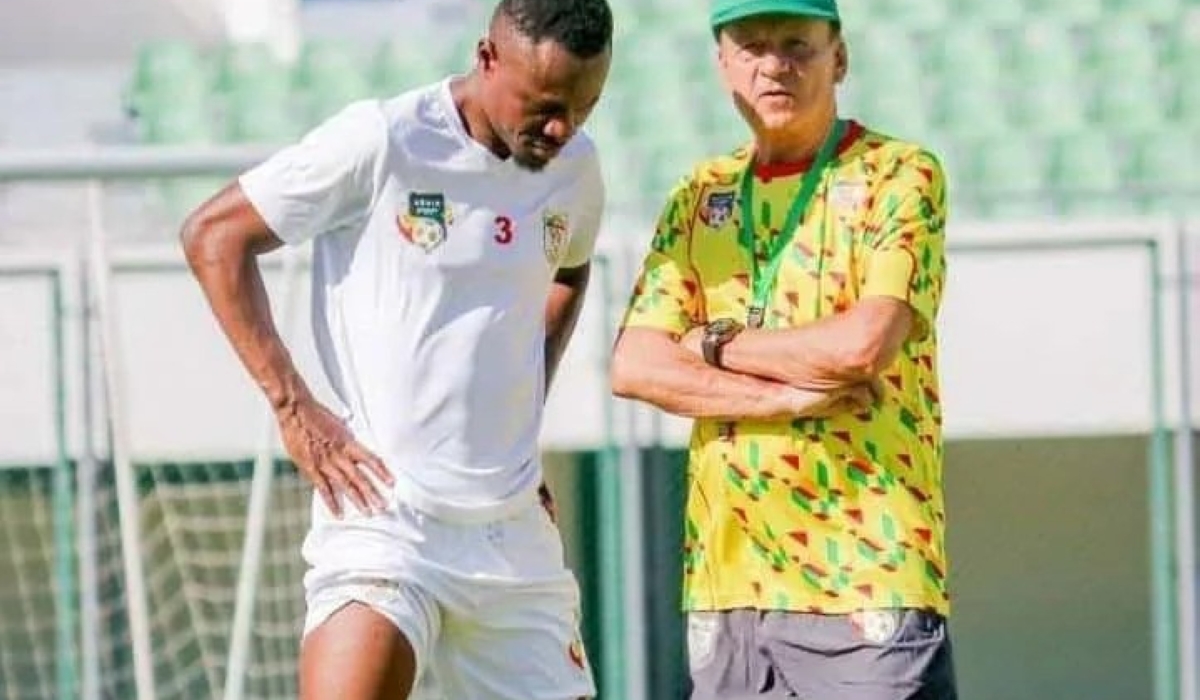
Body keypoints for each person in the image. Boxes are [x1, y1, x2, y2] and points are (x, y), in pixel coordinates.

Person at [180, 0, 612, 697]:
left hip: (511, 537)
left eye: (583, 109)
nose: (561, 128)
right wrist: (293, 409)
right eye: (544, 106)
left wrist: (519, 414)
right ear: (487, 57)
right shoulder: (385, 141)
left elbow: (569, 270)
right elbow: (213, 236)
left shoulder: (576, 169)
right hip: (386, 513)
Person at [610, 0, 957, 698]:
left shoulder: (898, 173)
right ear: (723, 65)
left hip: (865, 574)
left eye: (797, 44)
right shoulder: (700, 193)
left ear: (840, 57)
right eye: (752, 46)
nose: (774, 65)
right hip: (726, 583)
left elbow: (863, 345)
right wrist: (787, 398)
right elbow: (636, 365)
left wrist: (714, 343)